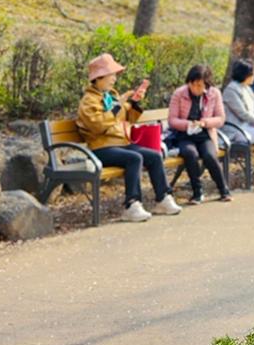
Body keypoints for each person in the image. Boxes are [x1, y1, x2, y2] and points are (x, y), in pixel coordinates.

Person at [76, 52, 182, 222]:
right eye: (111, 75)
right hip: (100, 148)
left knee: (154, 156)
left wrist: (133, 102)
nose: (114, 79)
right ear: (99, 77)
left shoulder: (110, 96)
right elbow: (98, 125)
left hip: (121, 144)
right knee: (134, 158)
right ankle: (132, 205)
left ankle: (163, 198)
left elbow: (128, 119)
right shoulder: (89, 100)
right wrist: (119, 106)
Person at [167, 64, 232, 204]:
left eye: (200, 85)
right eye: (193, 84)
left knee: (209, 155)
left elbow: (221, 118)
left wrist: (204, 122)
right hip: (184, 135)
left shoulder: (214, 93)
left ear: (207, 85)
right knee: (190, 154)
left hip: (205, 134)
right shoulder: (179, 93)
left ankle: (224, 190)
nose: (195, 88)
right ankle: (197, 192)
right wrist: (188, 124)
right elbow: (172, 120)